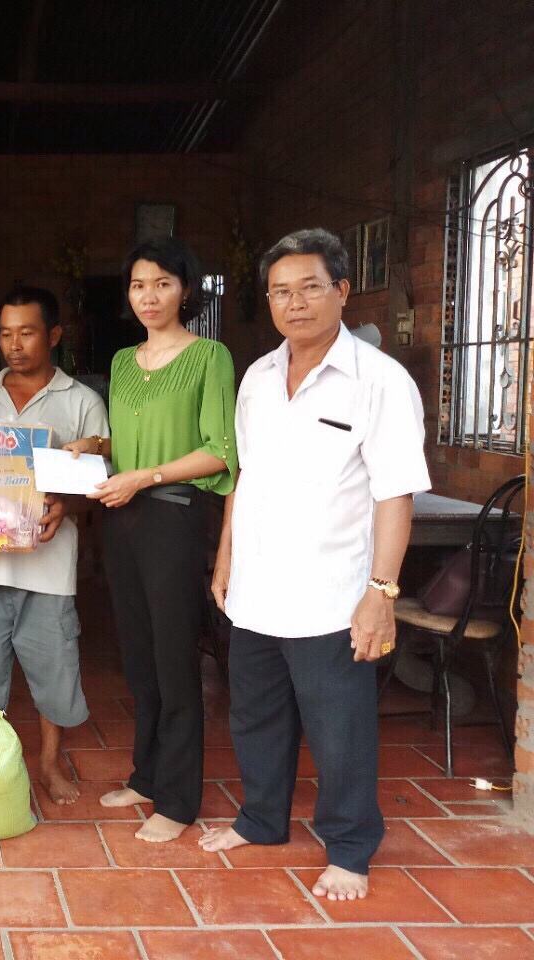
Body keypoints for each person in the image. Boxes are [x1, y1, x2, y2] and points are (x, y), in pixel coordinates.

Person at [200, 228, 429, 901]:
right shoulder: (257, 378)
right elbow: (244, 477)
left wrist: (381, 592)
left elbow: (395, 493)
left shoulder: (380, 382)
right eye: (280, 292)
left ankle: (351, 848)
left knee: (339, 731)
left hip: (333, 594)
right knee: (255, 716)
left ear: (342, 291)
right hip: (256, 587)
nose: (294, 303)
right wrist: (225, 555)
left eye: (309, 288)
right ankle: (261, 819)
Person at [67, 237, 237, 842]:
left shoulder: (209, 356)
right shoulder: (122, 362)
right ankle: (146, 775)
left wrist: (146, 476)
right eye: (139, 284)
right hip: (123, 518)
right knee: (138, 658)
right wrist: (97, 446)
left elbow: (220, 450)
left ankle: (179, 800)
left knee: (174, 658)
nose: (149, 295)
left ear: (185, 290)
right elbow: (134, 440)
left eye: (163, 283)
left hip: (173, 518)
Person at [0, 286, 108, 804]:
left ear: (53, 335)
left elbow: (101, 486)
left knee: (54, 669)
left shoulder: (81, 401)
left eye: (27, 333)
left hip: (49, 567)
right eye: (6, 334)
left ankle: (49, 763)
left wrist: (66, 507)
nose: (14, 345)